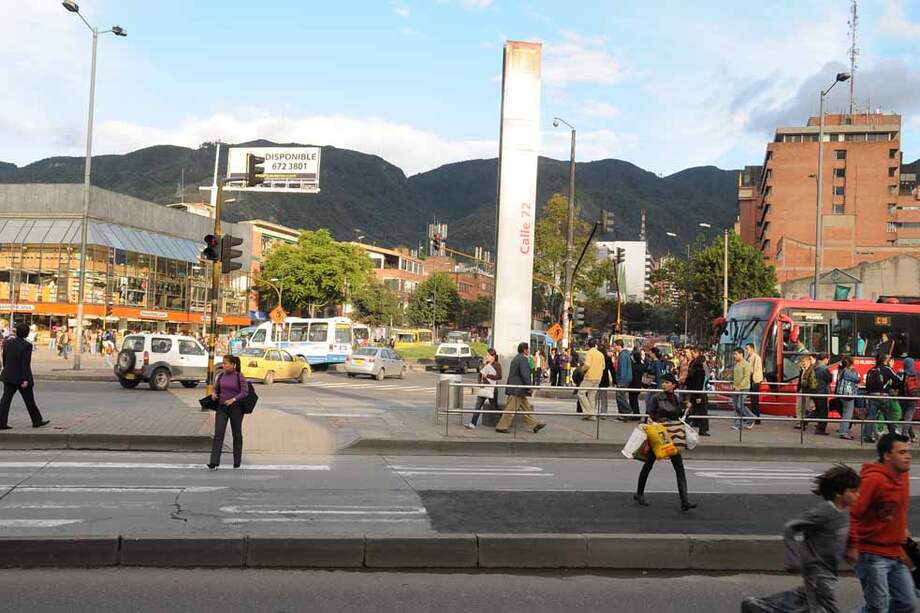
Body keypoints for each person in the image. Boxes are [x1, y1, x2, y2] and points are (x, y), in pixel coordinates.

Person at [742, 464, 861, 613]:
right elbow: (790, 527)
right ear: (838, 493)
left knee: (804, 601)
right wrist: (793, 558)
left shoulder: (844, 511)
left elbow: (843, 533)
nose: (858, 495)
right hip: (818, 571)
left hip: (829, 571)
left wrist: (851, 548)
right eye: (854, 491)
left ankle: (758, 606)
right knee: (826, 607)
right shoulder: (824, 511)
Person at [847, 433, 916, 613]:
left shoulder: (903, 476)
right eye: (902, 452)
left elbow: (897, 510)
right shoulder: (873, 480)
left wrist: (903, 533)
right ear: (886, 455)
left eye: (908, 451)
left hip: (895, 552)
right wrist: (852, 546)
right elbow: (853, 513)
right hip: (871, 554)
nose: (908, 456)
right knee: (878, 608)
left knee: (906, 603)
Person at [634, 373, 696, 512]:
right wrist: (649, 421)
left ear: (674, 385)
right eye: (663, 382)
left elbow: (680, 416)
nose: (664, 384)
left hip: (672, 436)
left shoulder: (676, 399)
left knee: (679, 467)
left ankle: (684, 500)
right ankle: (639, 493)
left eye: (667, 382)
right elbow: (649, 415)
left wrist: (687, 407)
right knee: (648, 465)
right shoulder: (656, 398)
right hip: (659, 435)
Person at [0, 323, 50, 430]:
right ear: (27, 334)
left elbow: (4, 358)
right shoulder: (27, 345)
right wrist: (25, 379)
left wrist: (7, 369)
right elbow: (25, 363)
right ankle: (36, 421)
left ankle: (1, 422)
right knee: (29, 400)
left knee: (5, 400)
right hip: (21, 378)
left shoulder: (8, 343)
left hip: (8, 376)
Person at [207, 355, 250, 469]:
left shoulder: (239, 376)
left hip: (236, 408)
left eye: (226, 363)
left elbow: (245, 392)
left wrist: (233, 399)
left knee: (236, 434)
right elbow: (216, 388)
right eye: (223, 363)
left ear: (233, 365)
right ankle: (214, 461)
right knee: (218, 433)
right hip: (222, 407)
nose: (224, 365)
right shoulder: (221, 376)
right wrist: (214, 393)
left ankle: (237, 461)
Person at [495, 342, 546, 434]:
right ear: (525, 350)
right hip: (517, 389)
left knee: (527, 409)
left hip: (518, 389)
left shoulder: (516, 358)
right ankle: (501, 426)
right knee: (510, 409)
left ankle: (534, 424)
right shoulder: (523, 359)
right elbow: (525, 374)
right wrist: (529, 386)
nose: (529, 351)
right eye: (528, 349)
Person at [863, 353, 899, 444]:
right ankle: (893, 435)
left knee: (871, 416)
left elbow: (867, 385)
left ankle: (867, 436)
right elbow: (898, 379)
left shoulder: (872, 370)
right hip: (883, 396)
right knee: (888, 415)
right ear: (885, 360)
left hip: (872, 395)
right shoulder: (886, 369)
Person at [465, 349, 502, 429]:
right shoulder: (485, 364)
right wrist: (480, 382)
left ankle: (501, 423)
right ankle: (472, 423)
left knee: (494, 407)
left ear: (493, 356)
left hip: (492, 388)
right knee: (478, 406)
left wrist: (488, 376)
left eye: (488, 355)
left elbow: (499, 376)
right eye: (486, 355)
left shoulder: (497, 365)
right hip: (483, 387)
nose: (487, 356)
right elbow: (480, 374)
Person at [684, 346, 710, 437]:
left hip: (692, 392)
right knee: (703, 412)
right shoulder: (701, 371)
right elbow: (700, 384)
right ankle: (703, 429)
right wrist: (699, 396)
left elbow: (687, 381)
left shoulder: (692, 368)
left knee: (690, 410)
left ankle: (684, 425)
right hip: (699, 393)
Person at [577, 339, 606, 420]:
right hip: (598, 377)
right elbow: (603, 367)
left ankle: (589, 412)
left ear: (588, 346)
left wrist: (581, 369)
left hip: (590, 377)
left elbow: (587, 365)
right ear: (595, 345)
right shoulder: (600, 354)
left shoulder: (589, 352)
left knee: (581, 393)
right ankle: (592, 415)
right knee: (592, 396)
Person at [835, 357, 860, 440]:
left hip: (842, 394)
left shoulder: (841, 370)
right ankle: (844, 432)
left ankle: (842, 430)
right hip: (848, 395)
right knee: (847, 415)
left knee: (845, 413)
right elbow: (857, 379)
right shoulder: (847, 371)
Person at [731, 347, 755, 430]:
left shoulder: (746, 364)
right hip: (736, 388)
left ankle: (750, 418)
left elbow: (746, 377)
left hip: (744, 388)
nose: (734, 356)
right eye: (734, 354)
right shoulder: (736, 364)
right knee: (736, 406)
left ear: (741, 354)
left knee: (739, 405)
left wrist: (739, 386)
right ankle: (740, 423)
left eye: (736, 354)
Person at [795, 355, 816, 430]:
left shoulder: (811, 369)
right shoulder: (802, 370)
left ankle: (805, 421)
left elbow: (812, 382)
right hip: (802, 390)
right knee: (799, 406)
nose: (803, 363)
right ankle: (799, 422)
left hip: (808, 390)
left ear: (809, 362)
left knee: (807, 407)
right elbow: (800, 381)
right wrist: (798, 390)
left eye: (804, 361)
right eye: (802, 361)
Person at [812, 354, 832, 435]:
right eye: (828, 359)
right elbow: (829, 379)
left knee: (818, 410)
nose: (828, 361)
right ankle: (820, 429)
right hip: (821, 391)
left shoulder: (814, 366)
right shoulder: (823, 368)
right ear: (825, 359)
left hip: (814, 391)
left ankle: (806, 420)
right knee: (823, 411)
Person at [900, 358, 919, 441]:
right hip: (913, 398)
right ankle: (904, 435)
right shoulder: (917, 374)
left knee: (907, 417)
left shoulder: (901, 373)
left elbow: (899, 385)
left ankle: (912, 435)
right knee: (908, 417)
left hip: (903, 398)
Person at [745, 342, 764, 424]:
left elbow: (755, 370)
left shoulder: (756, 358)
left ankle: (756, 418)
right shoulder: (749, 357)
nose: (746, 351)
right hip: (752, 381)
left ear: (752, 349)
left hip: (755, 381)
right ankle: (754, 417)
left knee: (754, 401)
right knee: (753, 401)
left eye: (747, 349)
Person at [614, 339, 633, 419]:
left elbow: (623, 369)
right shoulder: (625, 354)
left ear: (619, 345)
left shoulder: (623, 355)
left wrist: (621, 381)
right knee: (621, 396)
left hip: (623, 379)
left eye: (614, 345)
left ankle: (627, 412)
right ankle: (623, 414)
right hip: (625, 378)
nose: (614, 347)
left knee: (620, 396)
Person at [629, 347, 646, 418]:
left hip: (633, 384)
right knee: (635, 400)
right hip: (638, 384)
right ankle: (636, 413)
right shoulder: (642, 365)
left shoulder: (633, 366)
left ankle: (635, 414)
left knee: (632, 400)